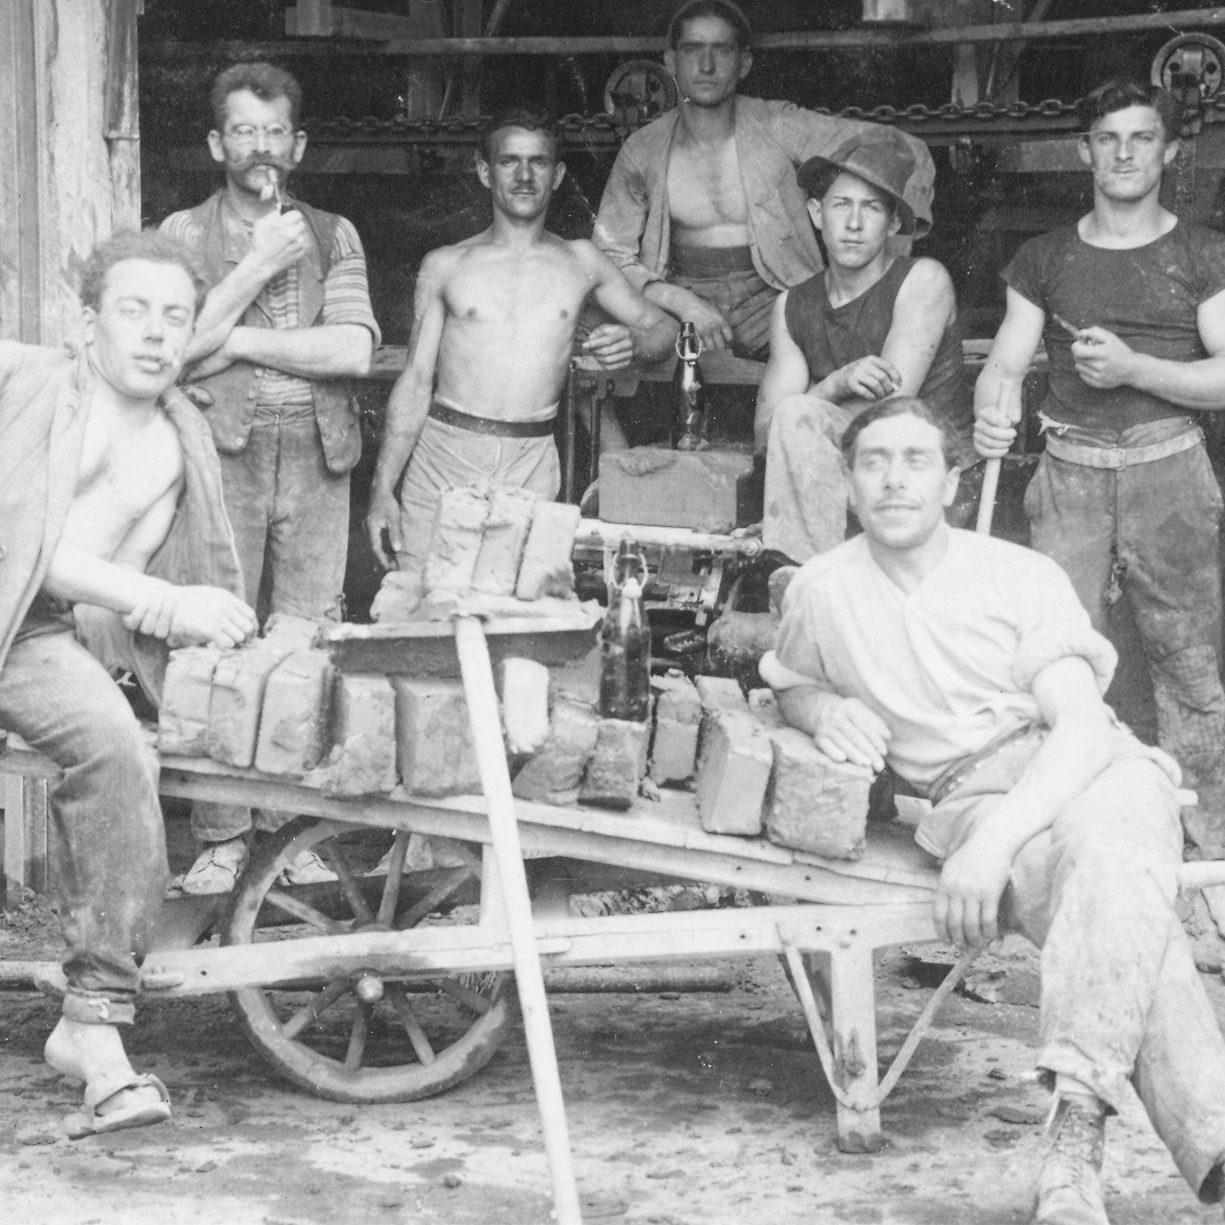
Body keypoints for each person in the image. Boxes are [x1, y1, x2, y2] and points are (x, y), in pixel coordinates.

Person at [760, 398, 1225, 1225]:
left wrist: (992, 847)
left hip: (1087, 767)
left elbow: (1080, 726)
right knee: (1123, 896)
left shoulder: (1017, 574)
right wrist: (823, 708)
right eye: (873, 461)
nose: (894, 480)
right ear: (849, 482)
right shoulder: (821, 591)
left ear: (950, 482)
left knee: (1112, 852)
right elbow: (792, 682)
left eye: (915, 460)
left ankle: (1074, 1141)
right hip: (967, 794)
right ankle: (1194, 1136)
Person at [0, 230, 257, 1135]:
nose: (155, 333)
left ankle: (91, 1022)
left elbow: (98, 590)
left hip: (29, 635)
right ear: (87, 323)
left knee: (119, 750)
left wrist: (175, 639)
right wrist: (162, 598)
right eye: (133, 310)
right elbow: (28, 543)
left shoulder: (172, 452)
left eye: (175, 316)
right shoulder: (23, 377)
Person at [974, 78, 1225, 853]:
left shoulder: (1202, 253)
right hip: (1070, 473)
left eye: (1141, 137)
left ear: (1169, 151)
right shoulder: (1043, 257)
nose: (1122, 153)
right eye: (1106, 138)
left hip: (1168, 469)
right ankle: (1061, 839)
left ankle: (1211, 851)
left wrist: (1133, 368)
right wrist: (991, 405)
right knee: (1057, 659)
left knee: (1189, 664)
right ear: (1083, 151)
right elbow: (1005, 363)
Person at [161, 62, 381, 893]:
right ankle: (222, 837)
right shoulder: (182, 234)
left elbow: (352, 350)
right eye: (244, 130)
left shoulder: (334, 233)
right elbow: (172, 352)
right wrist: (254, 268)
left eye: (275, 131)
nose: (261, 146)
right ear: (218, 144)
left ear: (299, 145)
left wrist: (237, 340)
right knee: (216, 636)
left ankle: (290, 835)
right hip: (222, 452)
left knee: (305, 643)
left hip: (320, 452)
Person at [365, 107, 677, 591]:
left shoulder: (581, 260)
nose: (525, 176)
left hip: (530, 459)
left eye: (539, 162)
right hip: (444, 454)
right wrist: (382, 488)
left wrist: (634, 342)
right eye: (509, 161)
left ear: (559, 175)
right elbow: (416, 380)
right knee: (422, 603)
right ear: (484, 172)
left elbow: (663, 329)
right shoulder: (446, 264)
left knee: (517, 611)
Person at [594, 0, 936, 362]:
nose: (706, 65)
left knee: (849, 356)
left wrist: (886, 268)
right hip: (679, 305)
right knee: (599, 330)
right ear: (670, 61)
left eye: (722, 50)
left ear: (744, 63)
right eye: (692, 49)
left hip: (774, 299)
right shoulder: (644, 148)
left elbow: (901, 147)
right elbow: (608, 253)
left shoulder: (777, 124)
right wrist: (679, 301)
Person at [752, 129, 977, 565]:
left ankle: (808, 579)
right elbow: (766, 434)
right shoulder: (792, 306)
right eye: (841, 205)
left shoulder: (922, 280)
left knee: (799, 415)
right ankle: (809, 580)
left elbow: (889, 416)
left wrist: (810, 405)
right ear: (816, 213)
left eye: (871, 207)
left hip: (927, 480)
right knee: (795, 417)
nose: (853, 223)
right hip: (844, 482)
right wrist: (835, 384)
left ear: (892, 223)